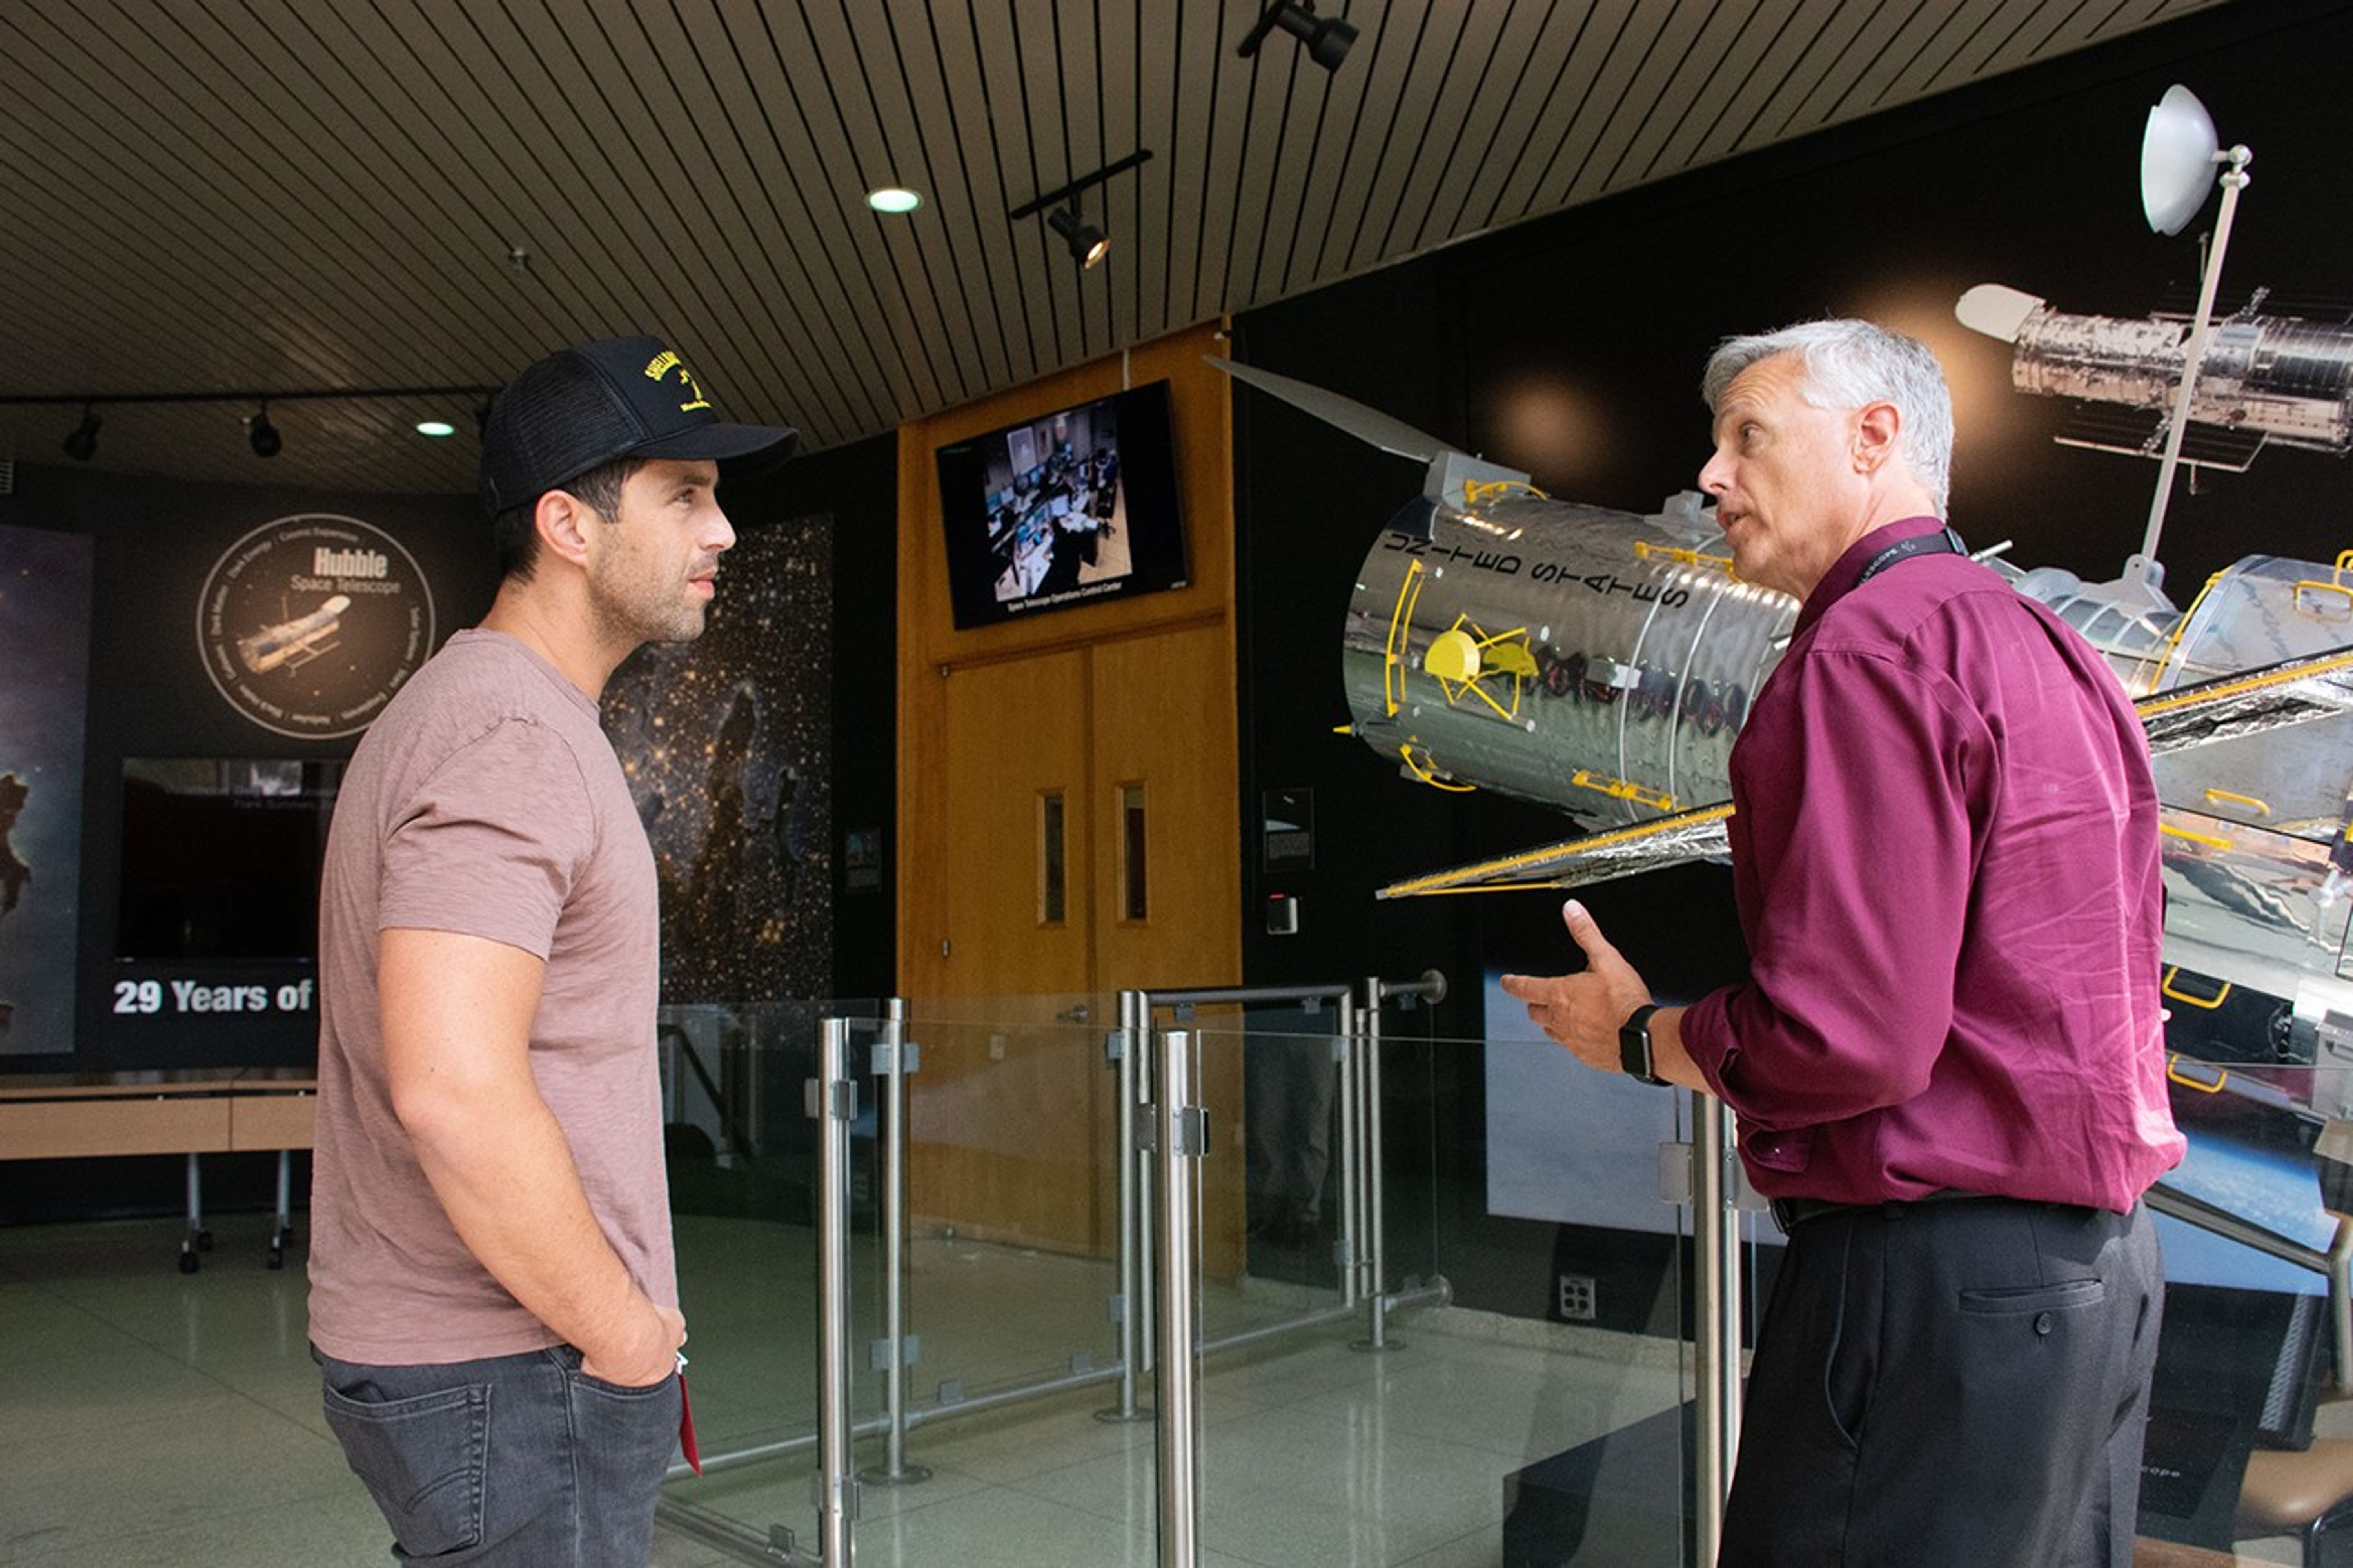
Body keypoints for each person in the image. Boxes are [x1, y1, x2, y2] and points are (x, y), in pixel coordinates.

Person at [1501, 319, 2183, 1567]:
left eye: (1747, 439)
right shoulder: (2050, 647)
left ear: (1875, 437)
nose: (1710, 477)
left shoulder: (1864, 648)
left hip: (1930, 1288)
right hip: (2096, 1278)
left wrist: (1644, 1038)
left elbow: (1850, 1040)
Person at [308, 334, 795, 1563]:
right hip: (510, 1368)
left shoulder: (498, 714)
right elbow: (455, 1089)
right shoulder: (507, 736)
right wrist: (625, 1334)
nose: (722, 531)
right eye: (685, 494)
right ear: (568, 526)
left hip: (495, 1363)